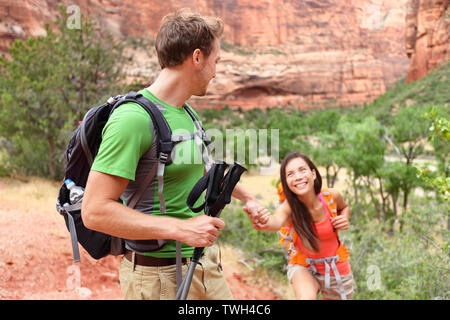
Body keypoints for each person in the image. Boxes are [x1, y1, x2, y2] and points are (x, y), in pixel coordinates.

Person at [81, 10, 264, 300]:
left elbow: (205, 169)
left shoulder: (185, 113)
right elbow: (94, 211)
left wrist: (250, 199)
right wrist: (181, 229)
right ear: (197, 57)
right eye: (216, 60)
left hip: (206, 269)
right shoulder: (133, 119)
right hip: (157, 280)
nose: (216, 71)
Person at [247, 152, 355, 300]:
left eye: (302, 170)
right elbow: (275, 222)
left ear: (314, 174)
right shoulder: (288, 208)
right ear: (286, 182)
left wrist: (344, 219)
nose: (297, 177)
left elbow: (344, 207)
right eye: (290, 174)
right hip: (304, 266)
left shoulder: (331, 196)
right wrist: (263, 221)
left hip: (336, 267)